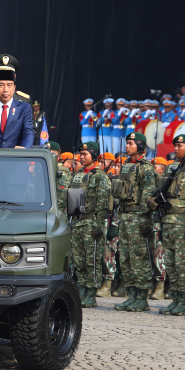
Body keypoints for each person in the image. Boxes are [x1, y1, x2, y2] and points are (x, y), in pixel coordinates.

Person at [148, 134, 185, 316]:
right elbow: (159, 190)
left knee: (184, 263)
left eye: (180, 145)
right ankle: (175, 299)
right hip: (168, 220)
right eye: (175, 145)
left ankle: (184, 301)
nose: (176, 148)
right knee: (171, 263)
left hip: (184, 222)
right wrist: (153, 200)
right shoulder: (171, 168)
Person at [111, 132, 158, 312]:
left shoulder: (146, 168)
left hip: (138, 218)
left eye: (130, 143)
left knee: (140, 258)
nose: (127, 146)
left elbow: (149, 194)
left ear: (140, 147)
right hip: (124, 217)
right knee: (126, 258)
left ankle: (142, 298)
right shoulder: (126, 166)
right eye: (127, 143)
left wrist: (145, 219)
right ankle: (131, 296)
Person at [68, 141, 111, 308]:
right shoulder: (77, 175)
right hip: (78, 222)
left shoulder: (99, 176)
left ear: (93, 155)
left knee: (91, 260)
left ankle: (91, 293)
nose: (81, 157)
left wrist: (98, 226)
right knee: (79, 260)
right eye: (80, 154)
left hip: (91, 222)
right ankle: (81, 290)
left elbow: (102, 202)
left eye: (85, 154)